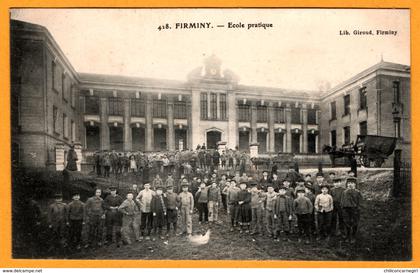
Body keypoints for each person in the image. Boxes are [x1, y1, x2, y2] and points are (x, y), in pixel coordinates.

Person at [341, 177, 363, 243]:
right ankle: (347, 236)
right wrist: (343, 208)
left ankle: (353, 236)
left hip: (355, 209)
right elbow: (342, 201)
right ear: (347, 184)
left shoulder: (357, 192)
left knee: (354, 222)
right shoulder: (344, 192)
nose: (350, 184)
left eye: (352, 183)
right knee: (347, 222)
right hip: (346, 209)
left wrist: (358, 208)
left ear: (355, 184)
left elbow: (360, 202)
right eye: (349, 183)